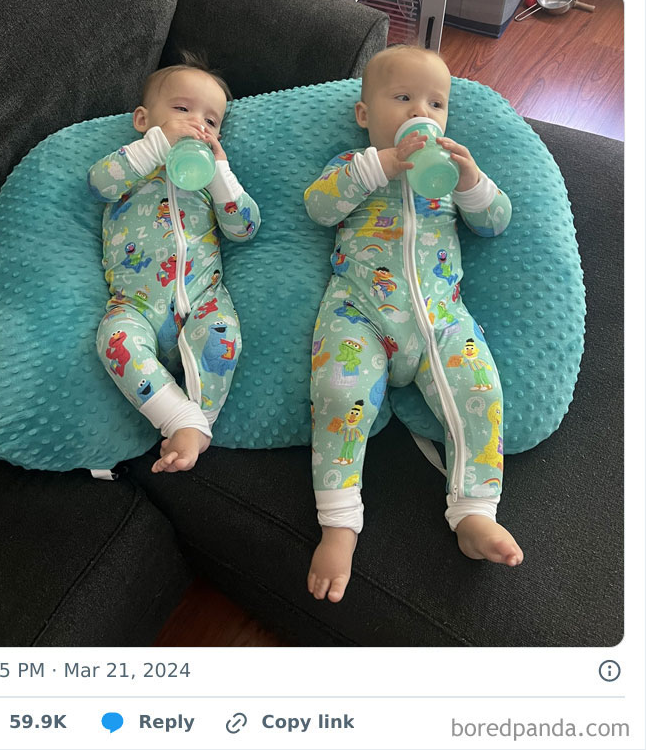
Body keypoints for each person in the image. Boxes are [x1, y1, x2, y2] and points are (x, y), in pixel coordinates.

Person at [304, 45, 523, 603]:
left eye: (435, 103)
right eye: (401, 98)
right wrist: (376, 164)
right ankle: (338, 522)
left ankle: (474, 510)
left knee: (482, 389)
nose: (418, 112)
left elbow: (495, 222)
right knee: (336, 393)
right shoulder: (349, 168)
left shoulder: (448, 177)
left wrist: (471, 181)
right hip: (359, 314)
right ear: (364, 114)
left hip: (441, 321)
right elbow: (319, 207)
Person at [88, 54, 260, 473]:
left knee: (223, 339)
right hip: (136, 304)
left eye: (212, 121)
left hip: (204, 299)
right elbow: (99, 183)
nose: (197, 124)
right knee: (114, 341)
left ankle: (199, 425)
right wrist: (156, 148)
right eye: (182, 109)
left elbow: (244, 228)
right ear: (143, 119)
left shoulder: (208, 182)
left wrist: (220, 173)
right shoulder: (131, 171)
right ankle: (178, 418)